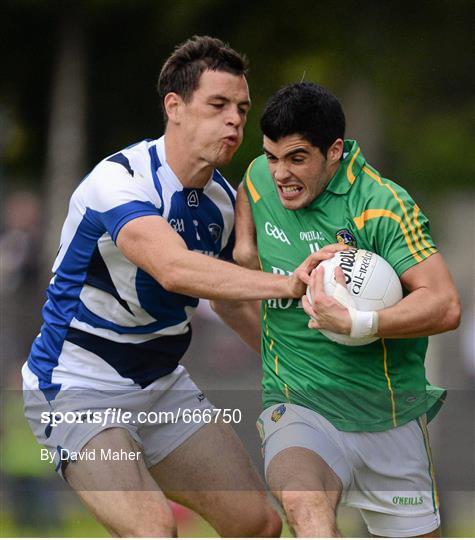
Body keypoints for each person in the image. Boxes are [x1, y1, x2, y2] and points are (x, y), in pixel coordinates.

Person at [22, 38, 335, 537]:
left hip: (162, 387)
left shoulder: (226, 202)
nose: (235, 120)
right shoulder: (119, 180)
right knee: (154, 529)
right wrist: (289, 283)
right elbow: (175, 268)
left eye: (241, 108)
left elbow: (226, 298)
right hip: (77, 388)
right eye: (218, 105)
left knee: (256, 523)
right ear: (175, 107)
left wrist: (296, 375)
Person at [226, 82, 461, 537]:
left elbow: (445, 305)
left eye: (297, 159)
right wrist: (243, 246)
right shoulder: (260, 177)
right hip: (298, 405)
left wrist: (359, 323)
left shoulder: (382, 206)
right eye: (273, 157)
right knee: (303, 505)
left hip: (386, 415)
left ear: (335, 151)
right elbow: (248, 187)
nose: (280, 175)